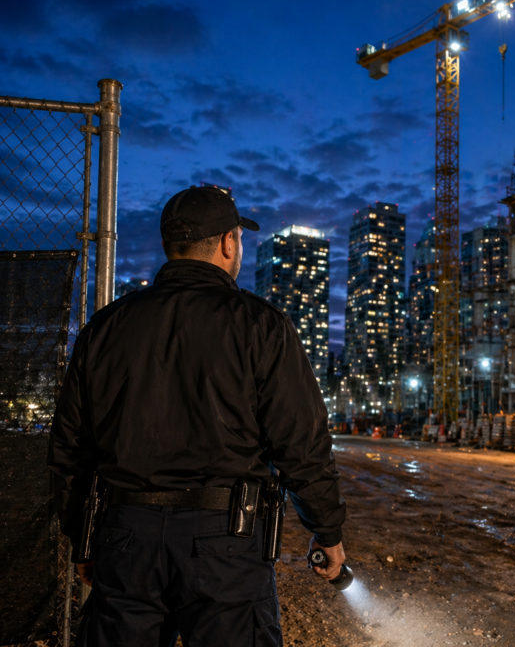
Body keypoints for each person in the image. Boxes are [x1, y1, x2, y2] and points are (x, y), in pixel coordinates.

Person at [47, 185, 346, 646]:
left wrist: (82, 538)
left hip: (126, 534)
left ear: (171, 246)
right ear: (229, 242)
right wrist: (326, 530)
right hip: (225, 538)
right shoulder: (261, 325)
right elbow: (301, 443)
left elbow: (70, 447)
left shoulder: (105, 327)